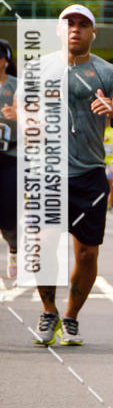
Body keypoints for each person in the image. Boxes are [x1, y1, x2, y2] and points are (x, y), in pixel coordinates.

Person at [32, 5, 113, 346]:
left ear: (93, 33)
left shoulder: (108, 73)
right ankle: (48, 311)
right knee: (43, 246)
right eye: (69, 23)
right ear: (59, 30)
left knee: (87, 254)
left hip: (90, 175)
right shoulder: (38, 69)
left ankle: (71, 316)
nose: (75, 29)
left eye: (83, 24)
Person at [0, 39, 18, 280]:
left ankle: (13, 246)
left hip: (12, 153)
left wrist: (19, 114)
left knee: (8, 210)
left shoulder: (18, 87)